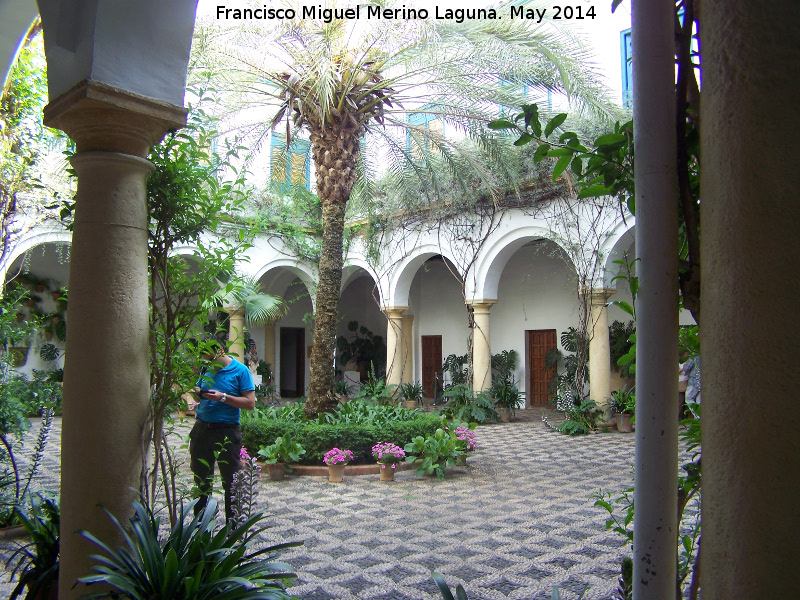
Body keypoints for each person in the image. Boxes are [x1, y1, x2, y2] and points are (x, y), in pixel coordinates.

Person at [190, 334, 256, 523]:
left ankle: (233, 528)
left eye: (210, 358)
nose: (207, 363)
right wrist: (197, 392)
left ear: (220, 350)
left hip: (227, 431)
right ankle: (201, 526)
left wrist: (223, 397)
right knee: (201, 480)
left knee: (232, 482)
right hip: (202, 429)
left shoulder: (240, 371)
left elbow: (250, 403)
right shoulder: (205, 368)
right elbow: (196, 396)